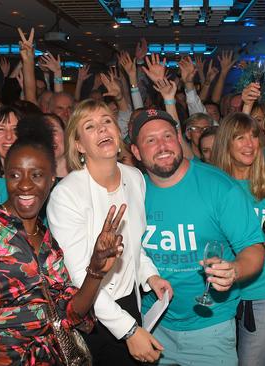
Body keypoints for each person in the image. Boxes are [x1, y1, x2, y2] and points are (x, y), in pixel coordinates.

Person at [0, 120, 127, 365]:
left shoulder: (48, 242)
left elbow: (71, 315)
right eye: (15, 175)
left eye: (36, 175)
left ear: (51, 180)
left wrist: (96, 271)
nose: (24, 185)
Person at [129, 108, 265, 365]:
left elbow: (254, 249)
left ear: (179, 138)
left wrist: (235, 270)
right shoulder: (130, 191)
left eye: (168, 136)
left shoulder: (219, 186)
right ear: (136, 152)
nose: (163, 146)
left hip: (210, 328)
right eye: (150, 140)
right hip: (152, 326)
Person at [48, 100, 171, 365]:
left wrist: (149, 275)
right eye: (90, 126)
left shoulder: (135, 178)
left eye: (107, 121)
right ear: (79, 145)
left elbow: (133, 244)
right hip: (92, 314)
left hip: (130, 303)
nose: (102, 129)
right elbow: (79, 274)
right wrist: (127, 330)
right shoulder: (66, 194)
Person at [209, 113, 265, 366]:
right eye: (240, 138)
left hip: (259, 291)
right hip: (218, 290)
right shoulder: (212, 183)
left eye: (254, 136)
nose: (249, 144)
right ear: (226, 142)